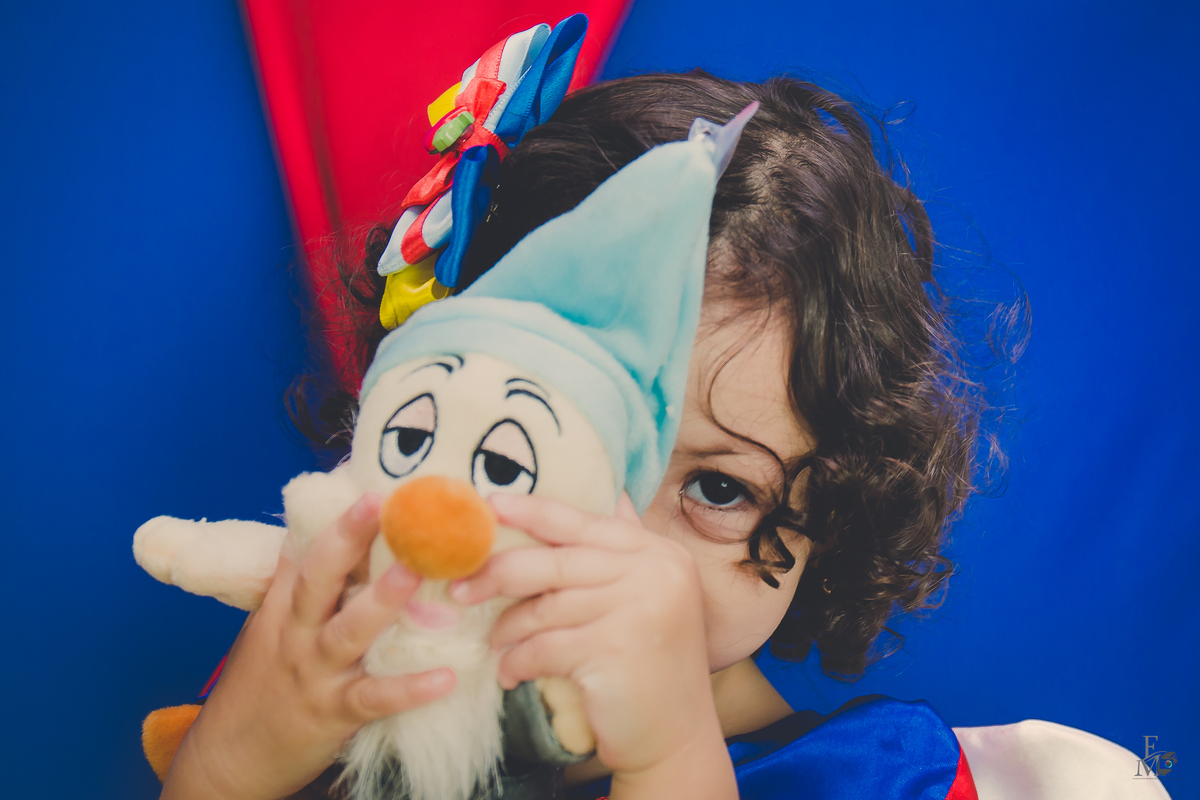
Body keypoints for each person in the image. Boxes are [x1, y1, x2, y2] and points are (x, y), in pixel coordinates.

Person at [161, 71, 1010, 800]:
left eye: (718, 488)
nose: (611, 543)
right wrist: (225, 768)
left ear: (840, 516)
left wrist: (671, 756)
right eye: (519, 455)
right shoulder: (333, 701)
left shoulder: (871, 779)